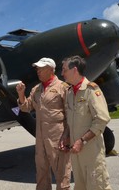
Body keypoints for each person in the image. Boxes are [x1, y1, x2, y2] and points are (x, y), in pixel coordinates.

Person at [16, 57, 71, 190]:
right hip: (41, 139)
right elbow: (26, 107)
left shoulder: (63, 88)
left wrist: (67, 136)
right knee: (41, 173)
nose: (38, 71)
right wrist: (21, 94)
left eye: (41, 68)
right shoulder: (37, 89)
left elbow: (71, 115)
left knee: (62, 173)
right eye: (37, 68)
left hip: (58, 137)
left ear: (51, 70)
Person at [60, 55, 112, 190]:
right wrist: (66, 135)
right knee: (80, 186)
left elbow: (102, 119)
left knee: (98, 186)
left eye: (64, 70)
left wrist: (81, 141)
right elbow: (70, 120)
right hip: (76, 153)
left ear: (74, 70)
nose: (62, 73)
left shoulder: (91, 90)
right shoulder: (70, 92)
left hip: (91, 152)